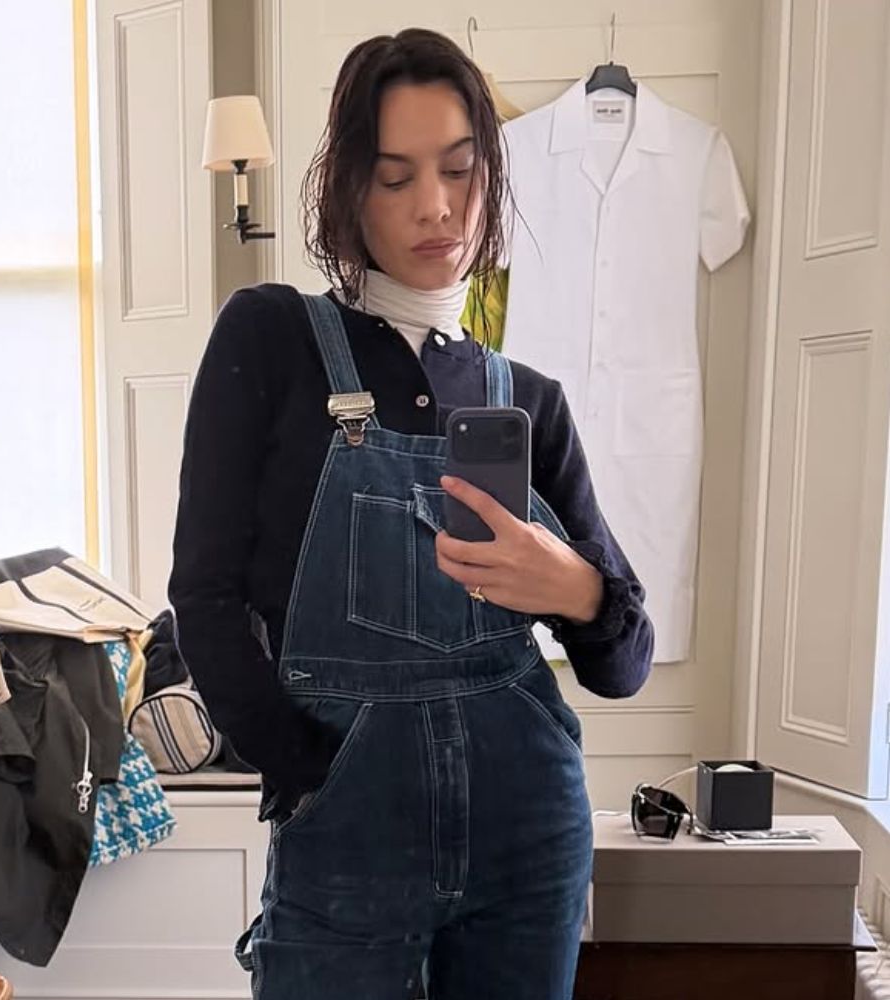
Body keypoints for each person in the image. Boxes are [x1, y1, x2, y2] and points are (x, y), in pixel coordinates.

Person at [169, 27, 653, 1000]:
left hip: (528, 845)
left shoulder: (530, 401)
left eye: (459, 170)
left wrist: (573, 587)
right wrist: (304, 767)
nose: (435, 206)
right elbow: (204, 594)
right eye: (394, 176)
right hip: (346, 836)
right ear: (348, 188)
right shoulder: (269, 340)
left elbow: (623, 659)